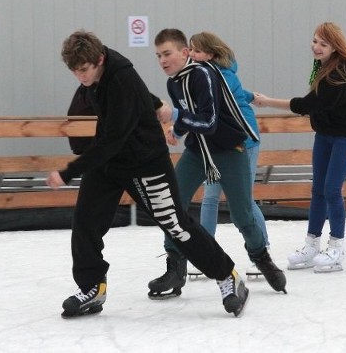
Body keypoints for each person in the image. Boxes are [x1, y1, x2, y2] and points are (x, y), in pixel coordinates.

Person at [47, 30, 248, 318]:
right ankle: (92, 287)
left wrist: (68, 172)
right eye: (74, 71)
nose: (80, 77)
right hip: (110, 163)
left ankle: (228, 275)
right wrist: (155, 103)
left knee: (176, 225)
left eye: (84, 70)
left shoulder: (120, 78)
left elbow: (113, 138)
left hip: (145, 162)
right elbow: (136, 97)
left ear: (99, 59)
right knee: (85, 221)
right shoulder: (99, 69)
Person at [151, 28, 286, 296]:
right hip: (198, 151)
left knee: (242, 214)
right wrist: (177, 131)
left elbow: (209, 122)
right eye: (158, 56)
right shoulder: (174, 82)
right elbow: (191, 113)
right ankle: (175, 267)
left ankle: (261, 256)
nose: (162, 60)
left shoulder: (205, 74)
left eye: (167, 54)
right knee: (171, 204)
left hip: (228, 148)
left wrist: (175, 115)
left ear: (185, 52)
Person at [253, 22, 346, 273]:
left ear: (334, 48)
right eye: (315, 41)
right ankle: (311, 245)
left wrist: (267, 102)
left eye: (323, 44)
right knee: (318, 189)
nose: (316, 47)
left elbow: (306, 105)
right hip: (326, 134)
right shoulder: (321, 68)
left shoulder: (337, 75)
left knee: (331, 189)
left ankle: (337, 248)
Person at [185, 31, 268, 277]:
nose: (191, 55)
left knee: (244, 200)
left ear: (210, 54)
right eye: (190, 49)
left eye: (197, 51)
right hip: (216, 143)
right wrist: (253, 96)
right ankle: (206, 254)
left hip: (243, 141)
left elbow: (226, 95)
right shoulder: (203, 74)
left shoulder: (220, 74)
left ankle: (263, 252)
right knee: (210, 197)